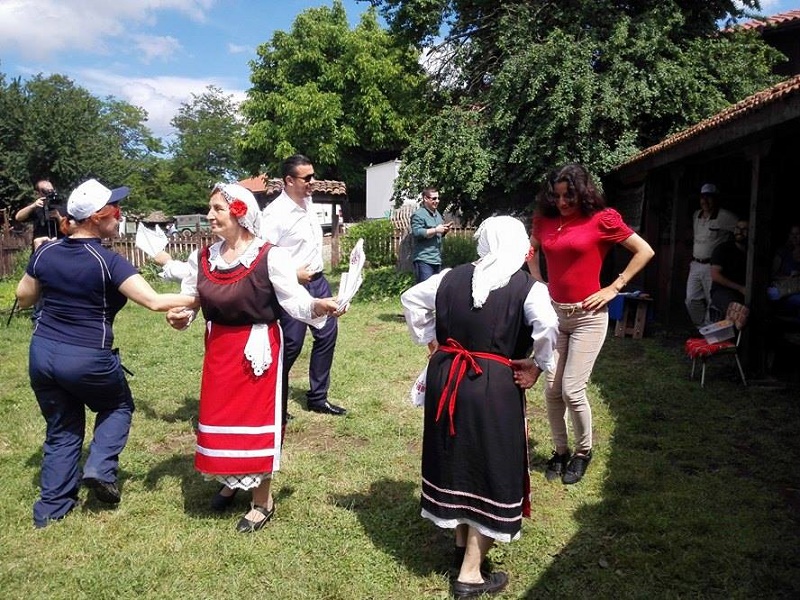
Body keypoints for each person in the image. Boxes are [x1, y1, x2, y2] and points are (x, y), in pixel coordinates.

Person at [14, 178, 197, 529]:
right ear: (98, 217)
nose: (120, 215)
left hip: (42, 354)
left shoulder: (45, 252)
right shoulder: (108, 261)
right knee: (117, 406)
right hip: (87, 357)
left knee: (62, 429)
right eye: (116, 210)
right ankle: (99, 468)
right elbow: (154, 301)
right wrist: (204, 297)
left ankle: (51, 510)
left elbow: (23, 297)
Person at [166, 183, 340, 533]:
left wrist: (317, 306)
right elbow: (190, 302)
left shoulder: (269, 256)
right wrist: (180, 317)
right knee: (223, 417)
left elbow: (293, 301)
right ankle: (231, 480)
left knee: (255, 421)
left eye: (217, 208)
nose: (210, 215)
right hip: (219, 349)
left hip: (257, 346)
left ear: (240, 213)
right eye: (210, 208)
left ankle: (262, 501)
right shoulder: (202, 258)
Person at [401, 216, 558, 599]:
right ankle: (470, 575)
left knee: (458, 454)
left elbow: (410, 298)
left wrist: (432, 341)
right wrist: (538, 365)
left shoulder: (451, 277)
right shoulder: (529, 287)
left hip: (448, 375)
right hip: (493, 384)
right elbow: (549, 327)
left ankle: (461, 546)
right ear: (519, 243)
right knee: (492, 465)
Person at [529, 164, 654, 485]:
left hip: (588, 317)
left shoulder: (602, 219)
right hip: (554, 315)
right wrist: (538, 281)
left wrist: (615, 287)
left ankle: (583, 452)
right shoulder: (544, 220)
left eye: (568, 196)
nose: (562, 202)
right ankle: (560, 451)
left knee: (572, 389)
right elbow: (532, 251)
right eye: (556, 196)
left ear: (582, 192)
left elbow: (644, 250)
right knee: (552, 389)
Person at [260, 154, 346, 416]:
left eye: (313, 176)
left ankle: (318, 398)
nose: (312, 182)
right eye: (307, 177)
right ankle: (273, 401)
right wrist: (290, 273)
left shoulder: (309, 203)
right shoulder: (274, 214)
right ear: (288, 180)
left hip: (318, 281)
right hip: (292, 287)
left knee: (327, 335)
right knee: (292, 344)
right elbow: (262, 255)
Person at [685, 183, 738, 327]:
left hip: (712, 266)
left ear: (716, 199)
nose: (705, 201)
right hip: (696, 264)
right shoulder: (696, 215)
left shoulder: (726, 217)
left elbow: (742, 230)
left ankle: (710, 333)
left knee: (712, 301)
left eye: (709, 197)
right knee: (691, 299)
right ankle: (702, 328)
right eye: (703, 197)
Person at [410, 187, 452, 283]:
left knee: (435, 291)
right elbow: (417, 232)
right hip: (424, 260)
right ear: (425, 198)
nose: (437, 201)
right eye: (433, 199)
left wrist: (444, 231)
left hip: (437, 260)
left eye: (438, 198)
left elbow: (437, 235)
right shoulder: (418, 215)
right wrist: (436, 229)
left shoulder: (438, 215)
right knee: (424, 292)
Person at [710, 220, 749, 318]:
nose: (740, 231)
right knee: (736, 309)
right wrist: (740, 288)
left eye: (744, 229)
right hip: (722, 291)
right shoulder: (723, 249)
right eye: (738, 228)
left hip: (745, 291)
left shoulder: (752, 252)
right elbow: (715, 275)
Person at [15, 179, 68, 248]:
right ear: (38, 193)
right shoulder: (36, 207)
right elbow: (18, 217)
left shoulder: (61, 206)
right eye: (46, 191)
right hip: (40, 247)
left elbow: (69, 229)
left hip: (59, 247)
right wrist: (32, 206)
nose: (49, 193)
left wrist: (58, 217)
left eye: (51, 190)